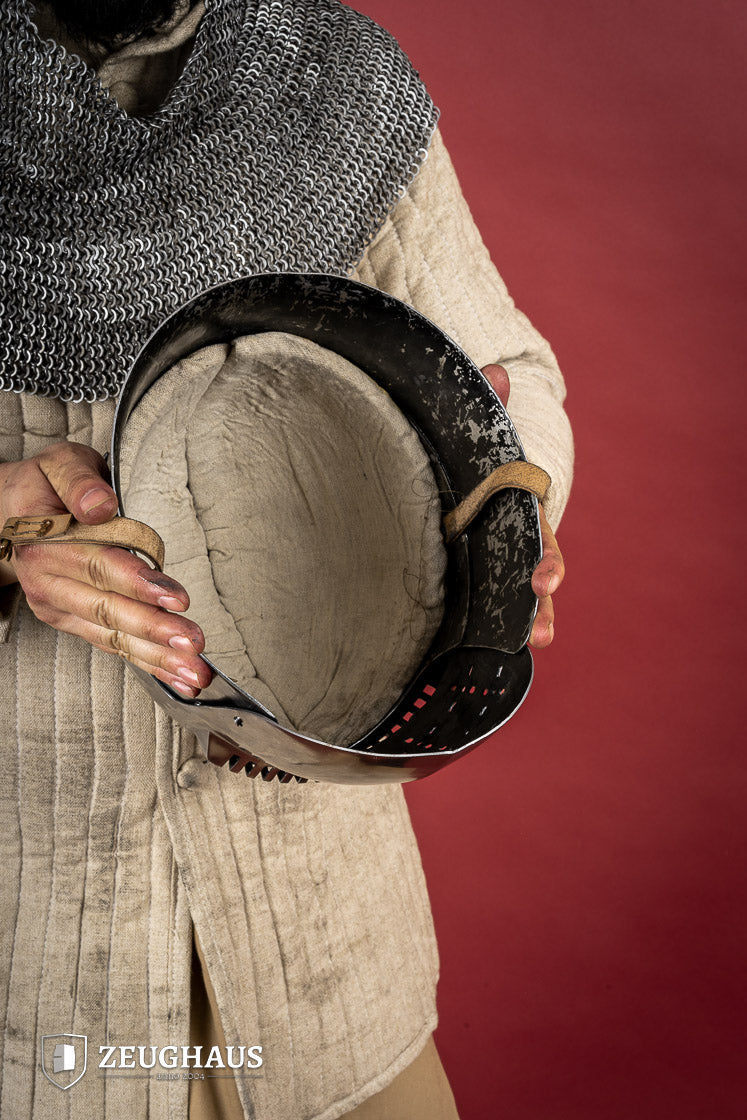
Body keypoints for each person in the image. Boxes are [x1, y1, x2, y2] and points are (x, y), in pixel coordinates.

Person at [0, 1, 573, 1117]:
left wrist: (506, 505)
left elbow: (507, 371)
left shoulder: (332, 85)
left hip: (331, 957)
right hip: (42, 972)